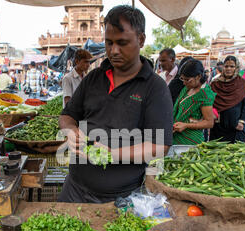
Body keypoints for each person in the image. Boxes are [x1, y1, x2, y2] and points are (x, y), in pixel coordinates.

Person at [58, 5, 173, 203]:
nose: (113, 51)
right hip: (75, 188)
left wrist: (111, 154)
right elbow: (67, 115)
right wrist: (69, 130)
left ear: (141, 40)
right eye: (109, 43)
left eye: (122, 43)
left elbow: (160, 145)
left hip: (122, 196)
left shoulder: (155, 87)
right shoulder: (94, 77)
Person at [172, 58, 216, 145]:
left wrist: (186, 125)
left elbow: (209, 123)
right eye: (182, 79)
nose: (184, 82)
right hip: (176, 135)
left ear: (198, 76)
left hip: (191, 140)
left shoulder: (204, 94)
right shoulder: (187, 88)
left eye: (187, 79)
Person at [209, 55, 245, 143]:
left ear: (236, 67)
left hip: (234, 125)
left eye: (232, 66)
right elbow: (209, 102)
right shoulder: (215, 83)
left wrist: (242, 122)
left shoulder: (241, 83)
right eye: (226, 66)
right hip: (218, 125)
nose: (228, 69)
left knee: (232, 153)